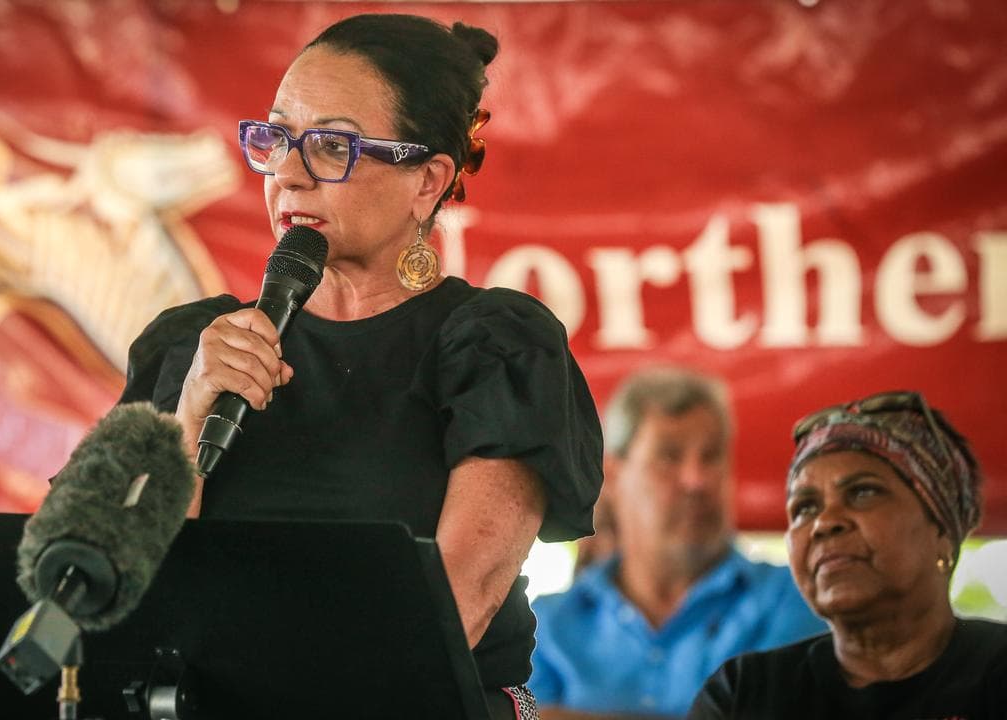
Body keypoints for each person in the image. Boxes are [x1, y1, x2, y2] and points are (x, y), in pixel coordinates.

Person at [117, 13, 604, 717]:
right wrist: (190, 416)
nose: (289, 174)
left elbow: (453, 613)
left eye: (331, 146)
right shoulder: (195, 347)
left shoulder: (496, 348)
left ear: (427, 181)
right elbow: (125, 597)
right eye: (277, 138)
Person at [689, 391, 1007, 719]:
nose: (824, 523)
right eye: (805, 508)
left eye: (863, 492)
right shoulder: (743, 693)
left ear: (941, 532)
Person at [529, 367, 825, 719]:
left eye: (712, 456)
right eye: (669, 456)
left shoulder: (794, 597)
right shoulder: (547, 624)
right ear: (613, 475)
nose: (697, 480)